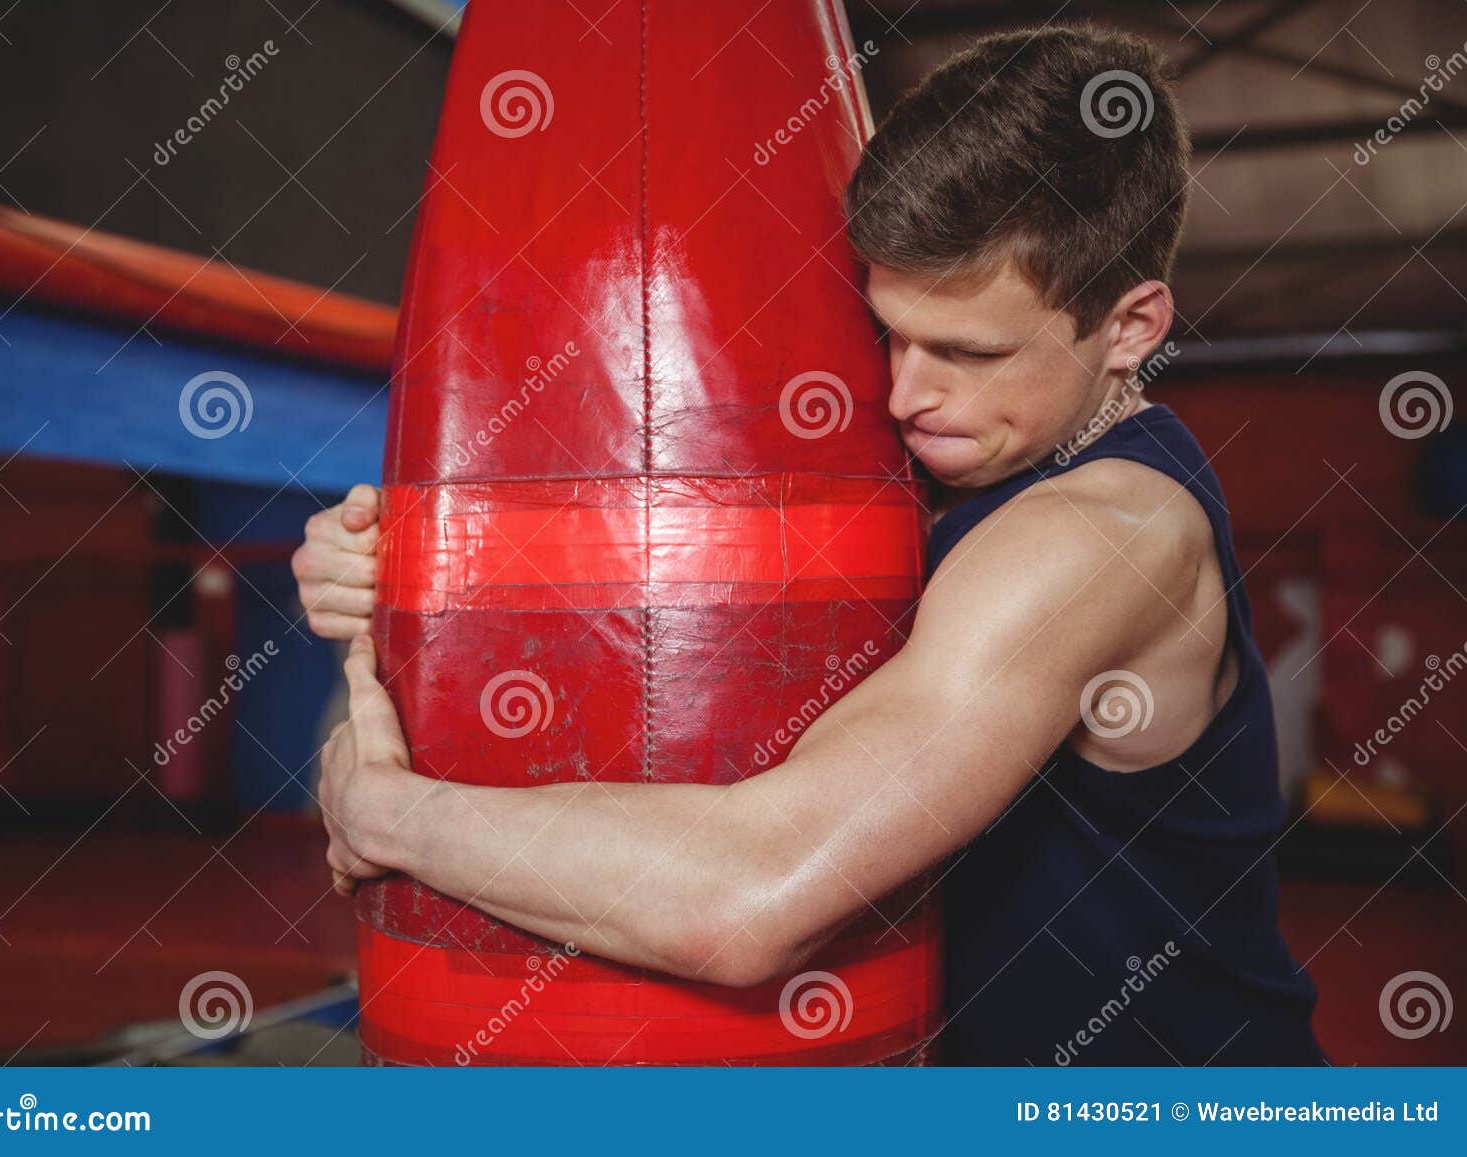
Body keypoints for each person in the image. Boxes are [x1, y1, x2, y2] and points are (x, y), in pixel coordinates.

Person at [292, 25, 1324, 1065]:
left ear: (1134, 326)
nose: (904, 393)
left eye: (970, 351)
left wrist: (385, 814)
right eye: (887, 332)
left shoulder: (1098, 540)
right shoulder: (968, 465)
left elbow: (749, 899)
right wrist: (400, 574)